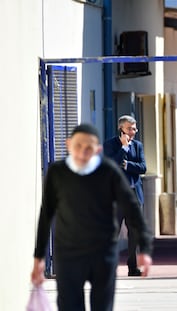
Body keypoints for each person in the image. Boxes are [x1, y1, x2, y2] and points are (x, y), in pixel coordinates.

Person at [31, 124, 153, 311]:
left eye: (89, 147)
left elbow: (132, 209)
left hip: (102, 253)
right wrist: (38, 257)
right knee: (69, 306)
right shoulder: (57, 173)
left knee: (102, 307)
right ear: (69, 144)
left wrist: (144, 248)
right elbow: (46, 213)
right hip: (69, 253)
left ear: (98, 150)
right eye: (78, 146)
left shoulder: (109, 172)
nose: (83, 152)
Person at [104, 115, 147, 276]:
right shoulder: (110, 145)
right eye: (130, 128)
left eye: (135, 128)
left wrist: (128, 165)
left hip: (134, 195)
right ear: (121, 129)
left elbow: (143, 167)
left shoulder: (138, 146)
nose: (134, 131)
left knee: (134, 232)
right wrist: (123, 149)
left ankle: (132, 266)